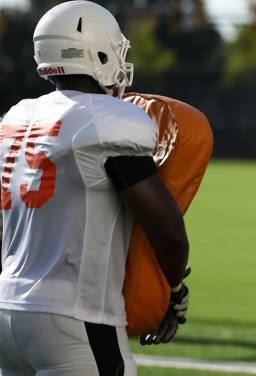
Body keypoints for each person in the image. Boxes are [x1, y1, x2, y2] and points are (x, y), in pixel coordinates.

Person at [0, 1, 189, 374]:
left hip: (8, 308)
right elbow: (167, 230)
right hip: (74, 316)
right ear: (98, 52)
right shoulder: (107, 120)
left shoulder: (16, 117)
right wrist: (171, 288)